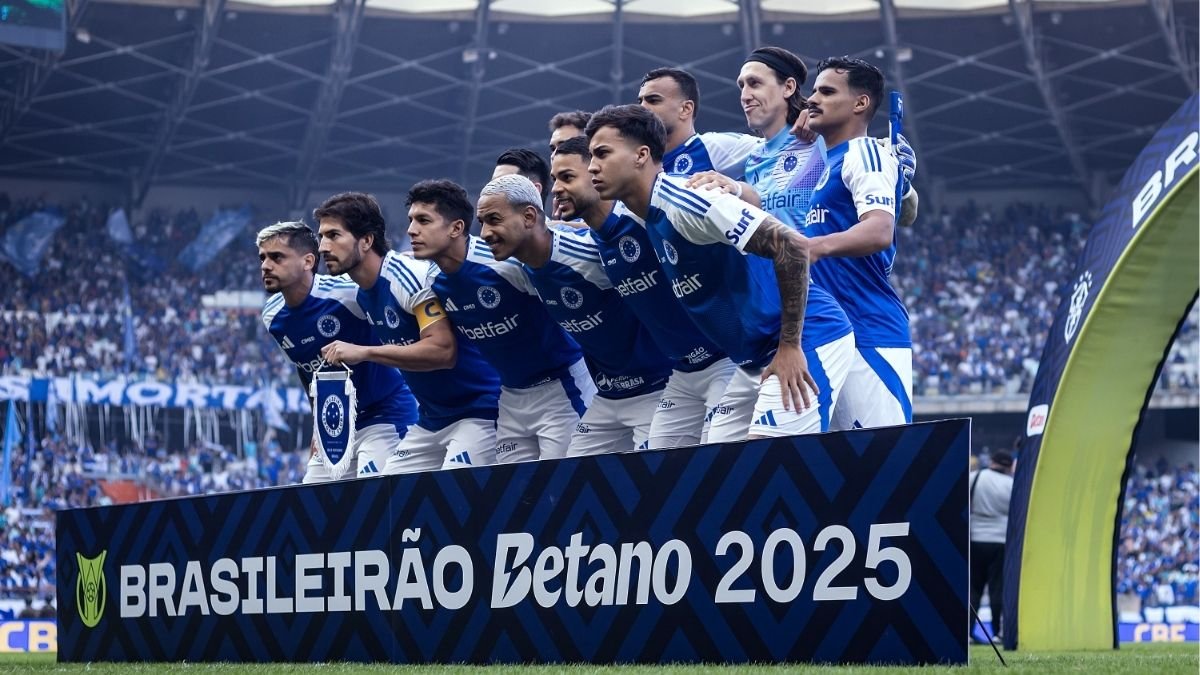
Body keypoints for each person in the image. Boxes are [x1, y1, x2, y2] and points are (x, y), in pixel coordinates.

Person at [586, 104, 853, 441]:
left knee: (772, 464)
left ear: (641, 155)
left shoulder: (688, 202)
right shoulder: (643, 214)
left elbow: (792, 246)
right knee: (719, 470)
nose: (592, 167)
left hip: (806, 337)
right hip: (753, 358)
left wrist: (789, 346)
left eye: (602, 154)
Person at [551, 136, 738, 448]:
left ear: (596, 172)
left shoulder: (645, 217)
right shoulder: (592, 243)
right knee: (661, 479)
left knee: (720, 466)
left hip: (724, 359)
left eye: (567, 177)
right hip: (682, 373)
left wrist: (736, 187)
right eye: (554, 179)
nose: (556, 189)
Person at [479, 173, 672, 455]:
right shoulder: (515, 269)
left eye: (494, 220)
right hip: (607, 396)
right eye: (481, 223)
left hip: (657, 387)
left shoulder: (588, 253)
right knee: (574, 486)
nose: (484, 233)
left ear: (530, 217)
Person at [406, 179, 595, 463]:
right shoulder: (430, 281)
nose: (411, 230)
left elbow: (550, 244)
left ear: (456, 228)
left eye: (422, 220)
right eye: (410, 221)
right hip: (510, 398)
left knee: (565, 489)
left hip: (562, 389)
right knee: (516, 495)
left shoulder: (505, 263)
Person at [312, 191, 502, 471]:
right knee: (390, 502)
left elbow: (443, 351)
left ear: (366, 241)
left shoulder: (406, 277)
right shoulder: (363, 293)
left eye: (333, 236)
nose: (322, 247)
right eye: (321, 237)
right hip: (430, 419)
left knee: (457, 499)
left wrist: (364, 352)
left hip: (478, 412)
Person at [258, 221, 418, 482]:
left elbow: (383, 276)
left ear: (308, 261)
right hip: (336, 426)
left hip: (385, 414)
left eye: (276, 257)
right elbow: (307, 370)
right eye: (262, 257)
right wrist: (316, 425)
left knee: (377, 501)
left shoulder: (347, 292)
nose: (265, 265)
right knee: (312, 504)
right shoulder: (272, 315)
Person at [803, 56, 914, 428]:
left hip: (869, 333)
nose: (812, 98)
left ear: (861, 103)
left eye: (827, 91)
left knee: (885, 471)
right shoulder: (825, 165)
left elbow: (880, 230)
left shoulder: (865, 152)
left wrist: (814, 247)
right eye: (814, 90)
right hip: (832, 334)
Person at [637, 67, 760, 179]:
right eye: (640, 101)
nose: (642, 107)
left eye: (653, 100)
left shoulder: (713, 147)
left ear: (686, 109)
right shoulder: (636, 162)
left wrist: (741, 189)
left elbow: (775, 148)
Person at [969, 450, 1015, 643]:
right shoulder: (1012, 484)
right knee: (998, 588)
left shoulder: (975, 477)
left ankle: (967, 632)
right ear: (1009, 466)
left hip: (975, 537)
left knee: (972, 588)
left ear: (992, 462)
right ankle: (999, 633)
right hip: (1001, 540)